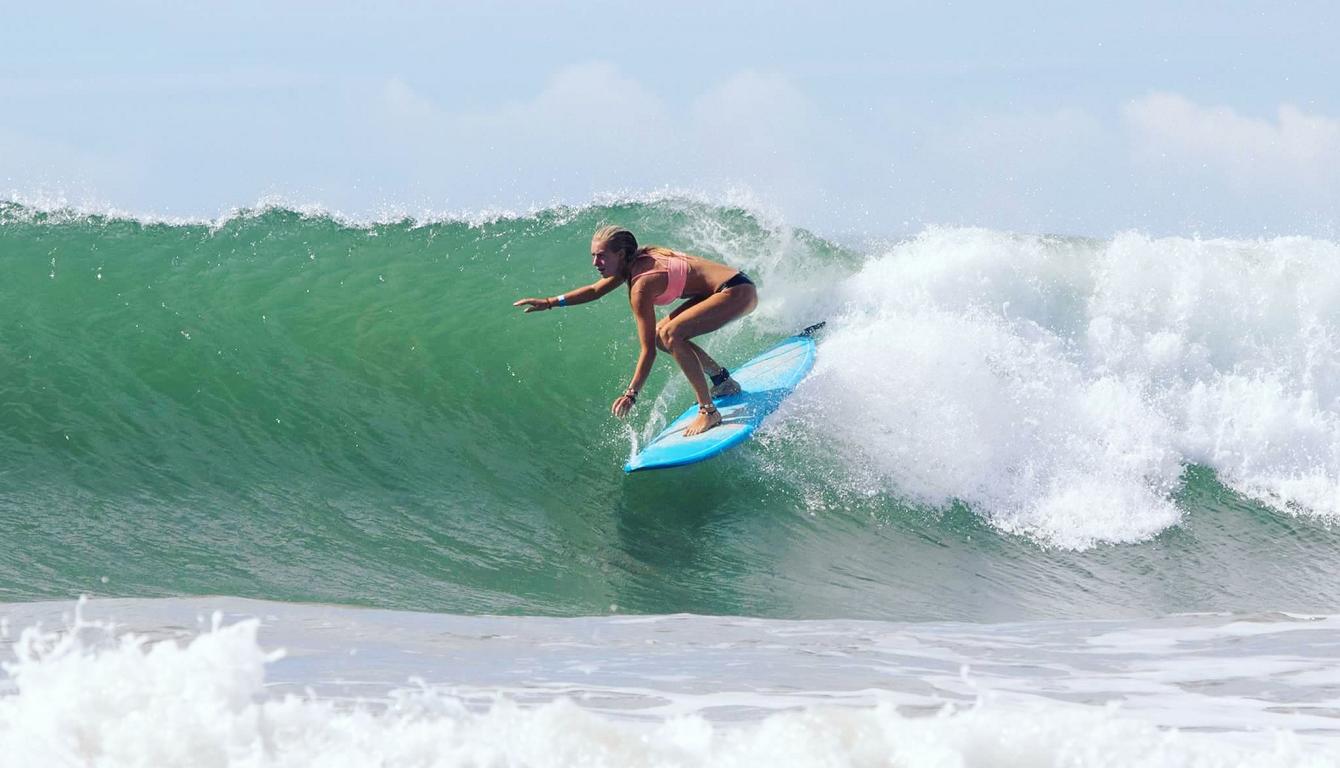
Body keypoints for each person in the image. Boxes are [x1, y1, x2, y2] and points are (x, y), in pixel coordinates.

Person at [513, 225, 758, 436]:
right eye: (593, 256)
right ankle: (722, 381)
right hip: (732, 288)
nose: (595, 263)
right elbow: (595, 290)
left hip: (736, 292)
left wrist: (631, 394)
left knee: (670, 334)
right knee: (663, 333)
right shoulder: (633, 263)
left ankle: (708, 411)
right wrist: (549, 302)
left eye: (601, 256)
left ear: (620, 255)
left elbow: (647, 351)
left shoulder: (641, 285)